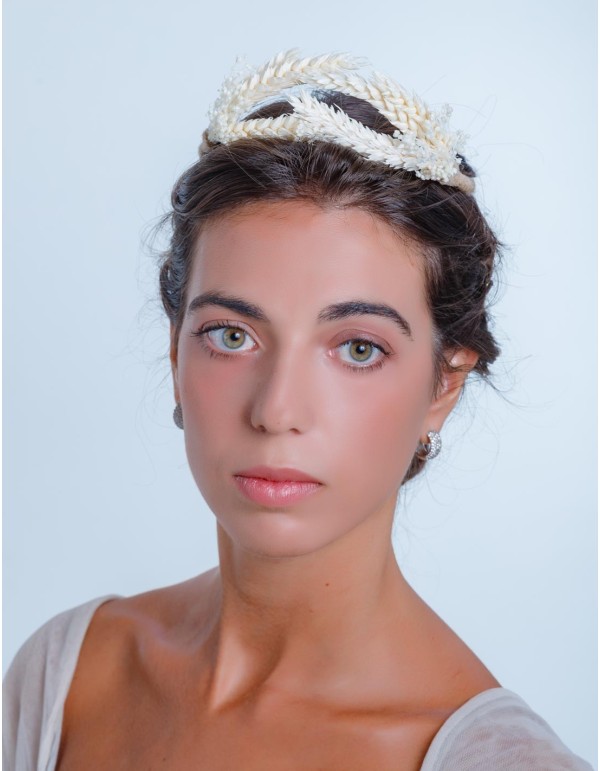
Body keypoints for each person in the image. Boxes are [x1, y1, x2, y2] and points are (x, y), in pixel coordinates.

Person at [3, 50, 593, 771]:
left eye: (357, 348)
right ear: (174, 352)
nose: (277, 410)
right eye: (232, 335)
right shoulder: (69, 676)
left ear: (444, 384)